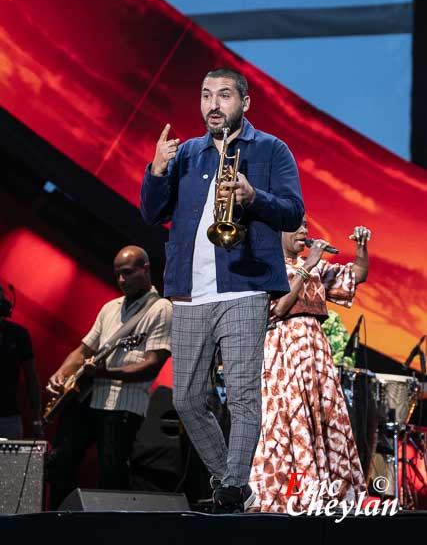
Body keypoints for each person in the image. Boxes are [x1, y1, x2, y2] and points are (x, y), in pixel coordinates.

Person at [140, 67, 304, 512]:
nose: (213, 105)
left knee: (243, 393)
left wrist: (254, 198)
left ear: (245, 103)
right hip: (191, 290)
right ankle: (230, 481)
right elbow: (152, 214)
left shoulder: (271, 150)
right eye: (206, 95)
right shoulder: (188, 153)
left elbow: (293, 213)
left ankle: (231, 487)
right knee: (187, 398)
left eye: (224, 95)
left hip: (244, 288)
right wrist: (156, 170)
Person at [249, 218, 371, 512]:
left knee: (322, 421)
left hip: (315, 353)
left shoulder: (316, 267)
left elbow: (357, 275)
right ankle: (291, 495)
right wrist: (307, 267)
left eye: (305, 225)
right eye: (296, 225)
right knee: (289, 423)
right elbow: (277, 309)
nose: (304, 231)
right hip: (284, 351)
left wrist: (361, 247)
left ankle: (323, 494)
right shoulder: (266, 267)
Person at [46, 246, 172, 510]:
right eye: (118, 275)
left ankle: (112, 532)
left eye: (127, 273)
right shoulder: (110, 308)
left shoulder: (161, 309)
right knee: (59, 459)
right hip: (90, 399)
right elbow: (83, 351)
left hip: (124, 406)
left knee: (111, 474)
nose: (122, 281)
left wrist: (106, 372)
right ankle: (60, 522)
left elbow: (151, 366)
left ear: (145, 269)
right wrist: (61, 374)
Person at [0, 286, 42, 439]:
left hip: (8, 419)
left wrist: (36, 420)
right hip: (9, 420)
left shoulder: (18, 334)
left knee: (10, 464)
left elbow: (32, 379)